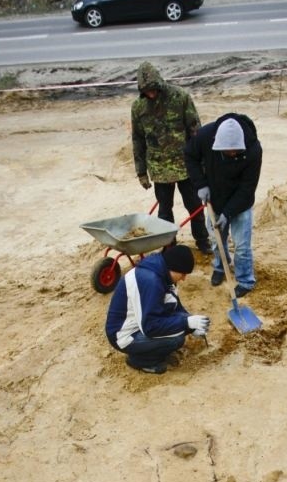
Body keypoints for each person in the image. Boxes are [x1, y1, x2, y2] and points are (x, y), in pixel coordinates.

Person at [131, 61, 212, 255]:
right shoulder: (138, 107)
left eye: (153, 90)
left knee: (194, 205)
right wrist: (141, 172)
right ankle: (169, 244)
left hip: (185, 165)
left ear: (159, 84)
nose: (151, 94)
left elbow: (195, 131)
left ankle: (202, 240)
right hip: (159, 169)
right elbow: (138, 140)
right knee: (164, 211)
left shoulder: (180, 97)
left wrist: (203, 164)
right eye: (147, 91)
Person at [185, 113, 262, 297]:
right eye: (228, 151)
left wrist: (228, 213)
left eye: (236, 151)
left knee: (242, 246)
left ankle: (245, 280)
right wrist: (200, 184)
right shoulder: (205, 136)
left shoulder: (253, 150)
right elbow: (190, 155)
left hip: (240, 202)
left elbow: (247, 188)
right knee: (216, 239)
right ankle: (220, 267)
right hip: (215, 198)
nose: (232, 154)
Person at [105, 244, 210, 376]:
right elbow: (150, 326)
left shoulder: (161, 271)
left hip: (138, 324)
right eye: (183, 273)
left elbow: (174, 305)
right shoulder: (152, 282)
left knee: (178, 328)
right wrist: (186, 323)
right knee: (176, 339)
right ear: (173, 268)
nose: (184, 278)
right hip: (123, 336)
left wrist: (191, 325)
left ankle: (153, 351)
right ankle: (140, 360)